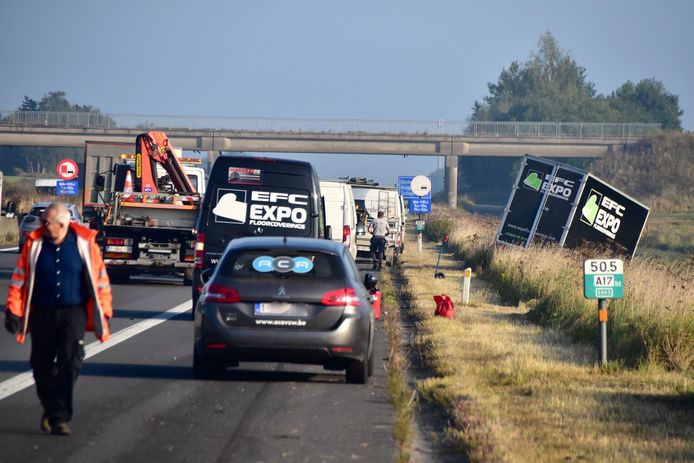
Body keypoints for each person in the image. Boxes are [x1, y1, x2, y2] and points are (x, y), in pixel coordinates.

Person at [4, 203, 113, 436]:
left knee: (70, 360)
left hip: (74, 312)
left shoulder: (83, 244)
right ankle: (52, 407)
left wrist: (104, 312)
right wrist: (13, 310)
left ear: (62, 225)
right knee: (40, 365)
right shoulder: (35, 245)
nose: (42, 226)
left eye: (46, 223)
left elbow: (100, 280)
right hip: (42, 312)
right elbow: (19, 280)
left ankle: (60, 417)